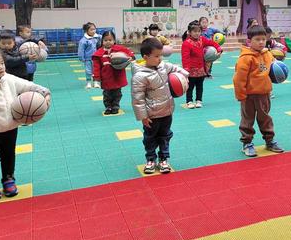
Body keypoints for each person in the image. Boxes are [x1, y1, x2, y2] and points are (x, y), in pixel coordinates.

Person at [0, 48, 51, 200]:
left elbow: (29, 86)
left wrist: (45, 93)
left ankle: (8, 179)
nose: (1, 67)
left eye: (2, 63)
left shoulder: (9, 79)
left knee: (8, 155)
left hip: (10, 128)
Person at [131, 37, 189, 174]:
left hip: (167, 112)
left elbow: (175, 67)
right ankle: (150, 159)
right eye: (156, 56)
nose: (160, 58)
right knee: (150, 138)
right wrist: (143, 117)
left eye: (161, 55)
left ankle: (164, 159)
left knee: (165, 136)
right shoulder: (140, 76)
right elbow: (137, 99)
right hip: (151, 115)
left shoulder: (163, 66)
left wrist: (185, 76)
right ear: (146, 57)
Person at [233, 25, 284, 157]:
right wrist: (241, 95)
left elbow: (273, 68)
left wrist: (280, 64)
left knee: (265, 118)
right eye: (257, 39)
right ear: (249, 41)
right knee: (247, 120)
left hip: (264, 94)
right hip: (248, 96)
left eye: (263, 39)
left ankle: (270, 141)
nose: (261, 42)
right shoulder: (245, 58)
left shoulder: (267, 54)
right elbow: (239, 78)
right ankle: (247, 143)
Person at [92, 31, 135, 115]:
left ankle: (115, 106)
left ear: (114, 40)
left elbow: (129, 53)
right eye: (105, 40)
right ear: (102, 41)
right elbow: (96, 67)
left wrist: (131, 57)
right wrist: (96, 77)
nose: (108, 42)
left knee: (117, 93)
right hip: (106, 78)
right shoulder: (99, 53)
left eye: (110, 40)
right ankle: (108, 107)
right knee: (107, 94)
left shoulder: (120, 49)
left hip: (117, 77)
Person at [181, 21, 222, 108]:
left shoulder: (202, 39)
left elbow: (211, 43)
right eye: (195, 31)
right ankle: (189, 101)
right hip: (191, 70)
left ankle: (199, 100)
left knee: (200, 86)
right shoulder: (186, 43)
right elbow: (185, 58)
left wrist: (218, 48)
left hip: (201, 69)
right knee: (190, 87)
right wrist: (186, 70)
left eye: (199, 31)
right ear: (189, 32)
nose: (197, 33)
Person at [78, 22, 101, 89]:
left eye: (94, 29)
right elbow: (81, 50)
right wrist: (81, 58)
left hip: (97, 58)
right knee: (88, 70)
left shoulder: (99, 37)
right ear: (86, 31)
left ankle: (95, 82)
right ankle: (88, 82)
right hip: (88, 58)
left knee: (96, 70)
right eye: (91, 30)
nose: (93, 31)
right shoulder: (83, 40)